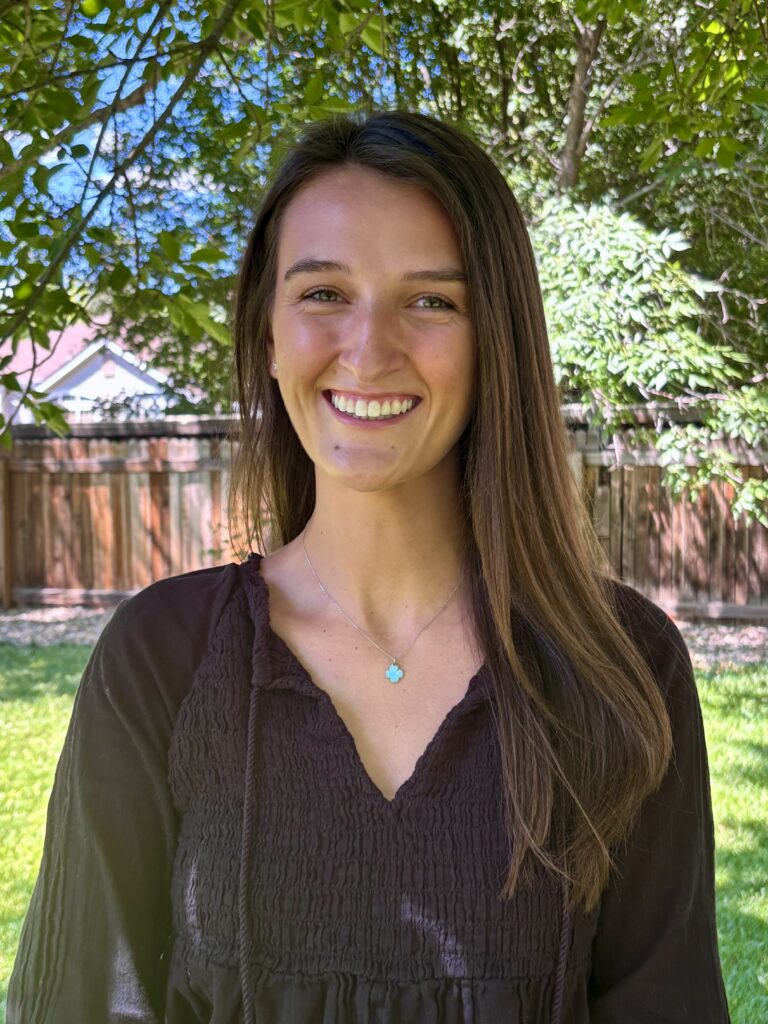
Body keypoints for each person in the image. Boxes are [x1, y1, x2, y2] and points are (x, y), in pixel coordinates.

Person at [7, 110, 731, 1024]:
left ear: (493, 340)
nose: (369, 348)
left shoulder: (621, 666)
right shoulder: (162, 659)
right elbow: (79, 1000)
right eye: (322, 294)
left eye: (431, 300)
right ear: (267, 334)